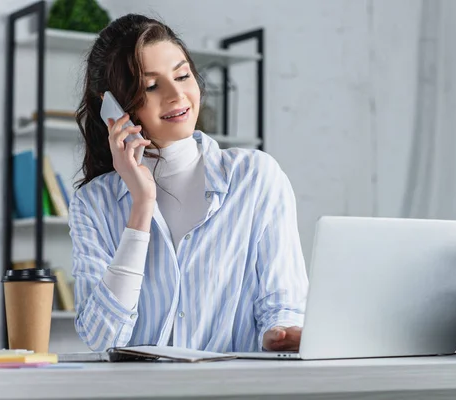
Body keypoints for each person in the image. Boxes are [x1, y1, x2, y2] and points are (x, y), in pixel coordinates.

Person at [69, 13, 308, 353]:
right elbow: (101, 339)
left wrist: (281, 333)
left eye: (182, 75)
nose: (176, 94)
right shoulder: (93, 203)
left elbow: (284, 304)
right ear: (114, 109)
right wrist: (141, 204)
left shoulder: (255, 177)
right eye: (152, 86)